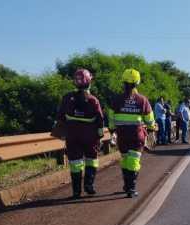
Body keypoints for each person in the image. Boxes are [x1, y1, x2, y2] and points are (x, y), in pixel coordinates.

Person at [55, 69, 104, 199]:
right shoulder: (93, 100)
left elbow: (60, 116)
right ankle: (89, 186)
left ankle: (76, 191)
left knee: (75, 163)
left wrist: (64, 131)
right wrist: (100, 135)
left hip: (72, 136)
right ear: (89, 81)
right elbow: (100, 119)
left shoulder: (67, 98)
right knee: (92, 160)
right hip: (90, 137)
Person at [107, 68, 156, 198]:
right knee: (133, 160)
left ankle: (127, 185)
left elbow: (111, 118)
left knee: (125, 159)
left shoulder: (116, 99)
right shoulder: (142, 100)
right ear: (137, 82)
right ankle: (131, 188)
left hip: (122, 136)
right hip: (136, 136)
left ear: (123, 82)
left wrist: (112, 130)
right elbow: (150, 119)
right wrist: (151, 129)